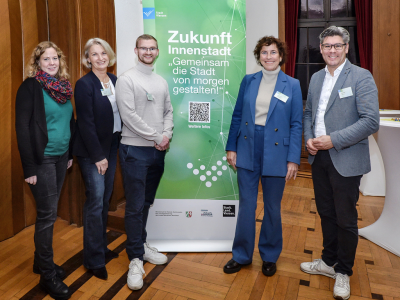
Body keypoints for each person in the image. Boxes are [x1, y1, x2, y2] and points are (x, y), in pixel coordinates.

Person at [301, 26, 379, 300]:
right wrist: (310, 138)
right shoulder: (315, 78)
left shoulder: (361, 77)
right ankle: (327, 261)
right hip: (318, 157)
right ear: (321, 49)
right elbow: (310, 112)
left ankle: (343, 271)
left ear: (346, 48)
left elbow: (370, 121)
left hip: (344, 156)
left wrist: (333, 139)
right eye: (327, 46)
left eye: (337, 45)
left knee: (346, 220)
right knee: (326, 213)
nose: (331, 50)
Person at [223, 36, 303, 276]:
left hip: (277, 150)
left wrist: (293, 158)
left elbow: (297, 123)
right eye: (264, 52)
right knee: (246, 205)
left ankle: (269, 256)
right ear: (259, 56)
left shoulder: (293, 84)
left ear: (281, 56)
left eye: (273, 52)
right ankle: (241, 255)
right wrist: (231, 147)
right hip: (247, 146)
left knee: (272, 207)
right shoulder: (248, 81)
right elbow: (237, 115)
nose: (269, 56)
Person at [15, 41, 74, 300]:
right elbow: (23, 129)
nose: (51, 63)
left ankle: (40, 263)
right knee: (47, 216)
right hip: (42, 160)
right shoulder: (30, 87)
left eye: (55, 58)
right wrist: (29, 167)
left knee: (48, 213)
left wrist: (69, 154)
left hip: (62, 157)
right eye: (46, 59)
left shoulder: (62, 89)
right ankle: (47, 275)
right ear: (37, 63)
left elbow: (68, 122)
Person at [115, 34, 173, 290]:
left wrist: (167, 135)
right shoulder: (127, 79)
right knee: (135, 206)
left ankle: (142, 245)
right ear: (136, 50)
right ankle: (135, 259)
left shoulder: (160, 81)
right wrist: (157, 136)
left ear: (157, 51)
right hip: (135, 151)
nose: (148, 52)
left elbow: (168, 111)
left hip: (157, 151)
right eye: (144, 48)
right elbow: (129, 117)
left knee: (146, 203)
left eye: (152, 48)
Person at [72, 38, 121, 280]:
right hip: (94, 151)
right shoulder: (84, 84)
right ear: (87, 58)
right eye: (94, 54)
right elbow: (86, 124)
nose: (100, 57)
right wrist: (98, 156)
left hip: (112, 145)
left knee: (104, 199)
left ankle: (100, 248)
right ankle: (93, 260)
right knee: (95, 201)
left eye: (103, 53)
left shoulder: (114, 80)